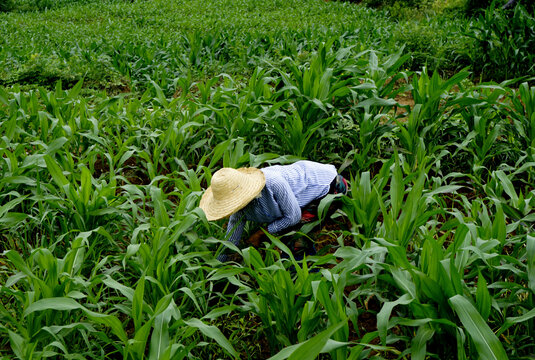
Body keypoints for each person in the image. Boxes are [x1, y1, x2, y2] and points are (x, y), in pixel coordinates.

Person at [199, 160, 348, 262]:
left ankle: (305, 279)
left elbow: (293, 217)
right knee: (285, 231)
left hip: (329, 187)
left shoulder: (273, 183)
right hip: (298, 200)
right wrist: (217, 264)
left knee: (295, 237)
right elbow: (231, 240)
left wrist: (261, 234)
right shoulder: (239, 211)